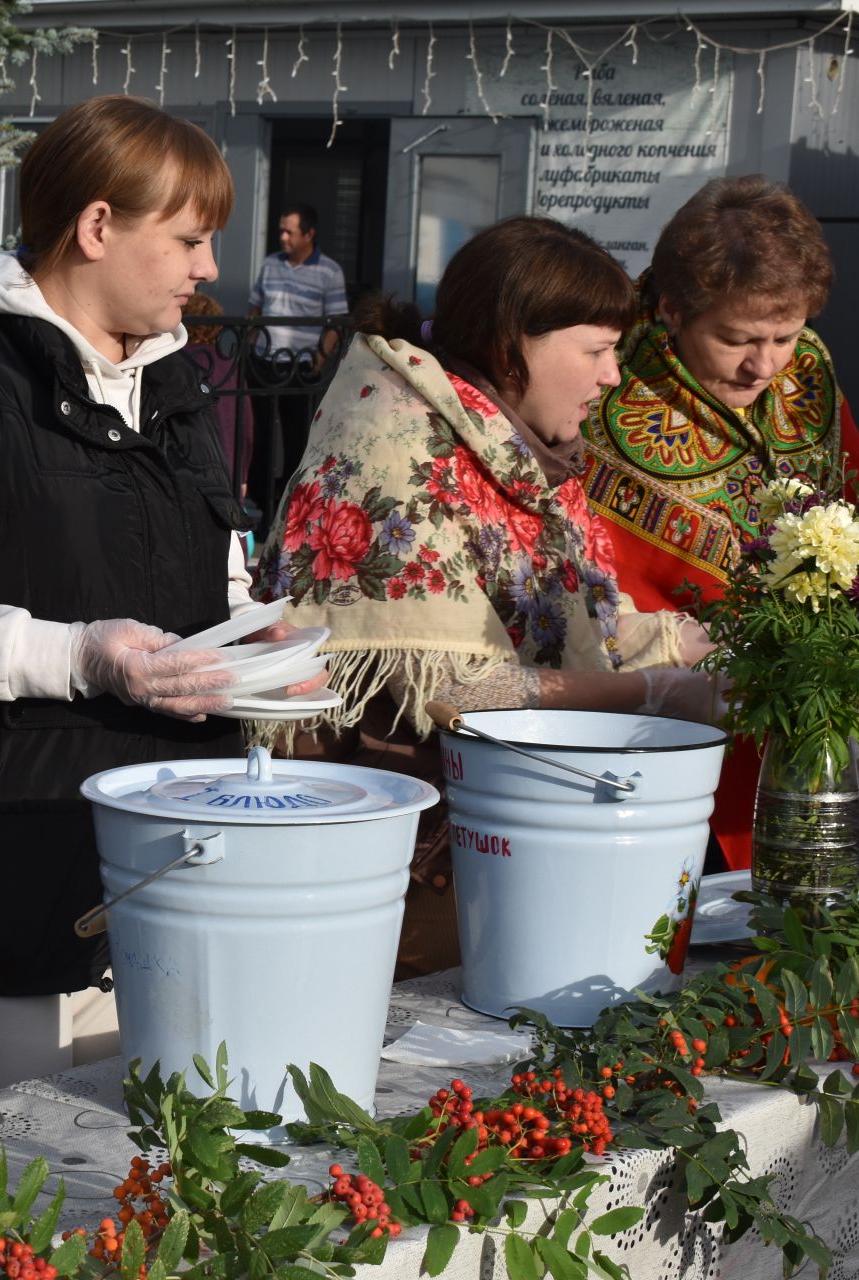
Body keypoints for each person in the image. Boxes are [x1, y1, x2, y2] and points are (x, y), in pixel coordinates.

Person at [0, 95, 308, 1091]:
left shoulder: (175, 389)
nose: (211, 268)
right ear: (96, 227)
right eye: (189, 239)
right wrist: (75, 654)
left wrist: (256, 645)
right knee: (2, 1198)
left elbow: (209, 581)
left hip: (152, 869)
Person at [251, 217, 719, 978]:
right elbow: (458, 689)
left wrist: (687, 645)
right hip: (388, 863)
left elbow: (561, 621)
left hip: (482, 840)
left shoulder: (511, 447)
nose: (611, 378)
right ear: (512, 346)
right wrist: (649, 692)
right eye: (598, 351)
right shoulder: (396, 440)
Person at [580, 176, 859, 872]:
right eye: (738, 339)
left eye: (786, 335)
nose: (765, 364)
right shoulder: (606, 390)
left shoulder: (808, 372)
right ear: (674, 309)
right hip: (655, 732)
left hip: (796, 714)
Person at [246, 202, 349, 516]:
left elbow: (336, 321)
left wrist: (319, 359)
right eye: (281, 231)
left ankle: (290, 505)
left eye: (290, 232)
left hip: (301, 367)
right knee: (260, 433)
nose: (283, 237)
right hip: (265, 363)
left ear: (309, 234)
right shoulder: (270, 264)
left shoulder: (329, 271)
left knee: (297, 437)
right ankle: (259, 503)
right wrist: (250, 349)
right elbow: (256, 309)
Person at [182, 292, 254, 498]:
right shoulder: (228, 364)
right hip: (228, 465)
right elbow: (246, 426)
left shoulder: (175, 361)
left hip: (188, 469)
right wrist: (242, 476)